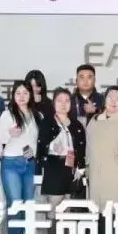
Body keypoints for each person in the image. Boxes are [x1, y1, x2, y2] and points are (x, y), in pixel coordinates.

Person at [87, 87, 118, 228]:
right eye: (110, 98)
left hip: (116, 173)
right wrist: (87, 168)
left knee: (114, 211)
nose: (114, 101)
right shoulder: (94, 121)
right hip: (96, 173)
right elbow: (88, 147)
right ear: (104, 100)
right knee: (97, 210)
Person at [0, 80, 39, 234]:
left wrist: (34, 152)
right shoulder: (7, 114)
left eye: (25, 93)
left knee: (28, 202)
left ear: (31, 95)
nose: (22, 96)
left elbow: (38, 141)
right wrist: (10, 134)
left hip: (30, 163)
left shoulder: (36, 115)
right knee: (15, 202)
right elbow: (0, 138)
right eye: (18, 93)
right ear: (13, 95)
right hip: (11, 163)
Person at [36, 88, 88, 217]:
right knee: (55, 202)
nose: (63, 104)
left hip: (71, 167)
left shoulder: (76, 124)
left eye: (67, 101)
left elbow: (81, 147)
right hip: (54, 166)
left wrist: (80, 168)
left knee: (68, 203)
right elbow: (41, 146)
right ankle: (52, 228)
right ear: (53, 103)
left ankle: (65, 229)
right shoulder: (47, 122)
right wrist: (52, 148)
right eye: (59, 101)